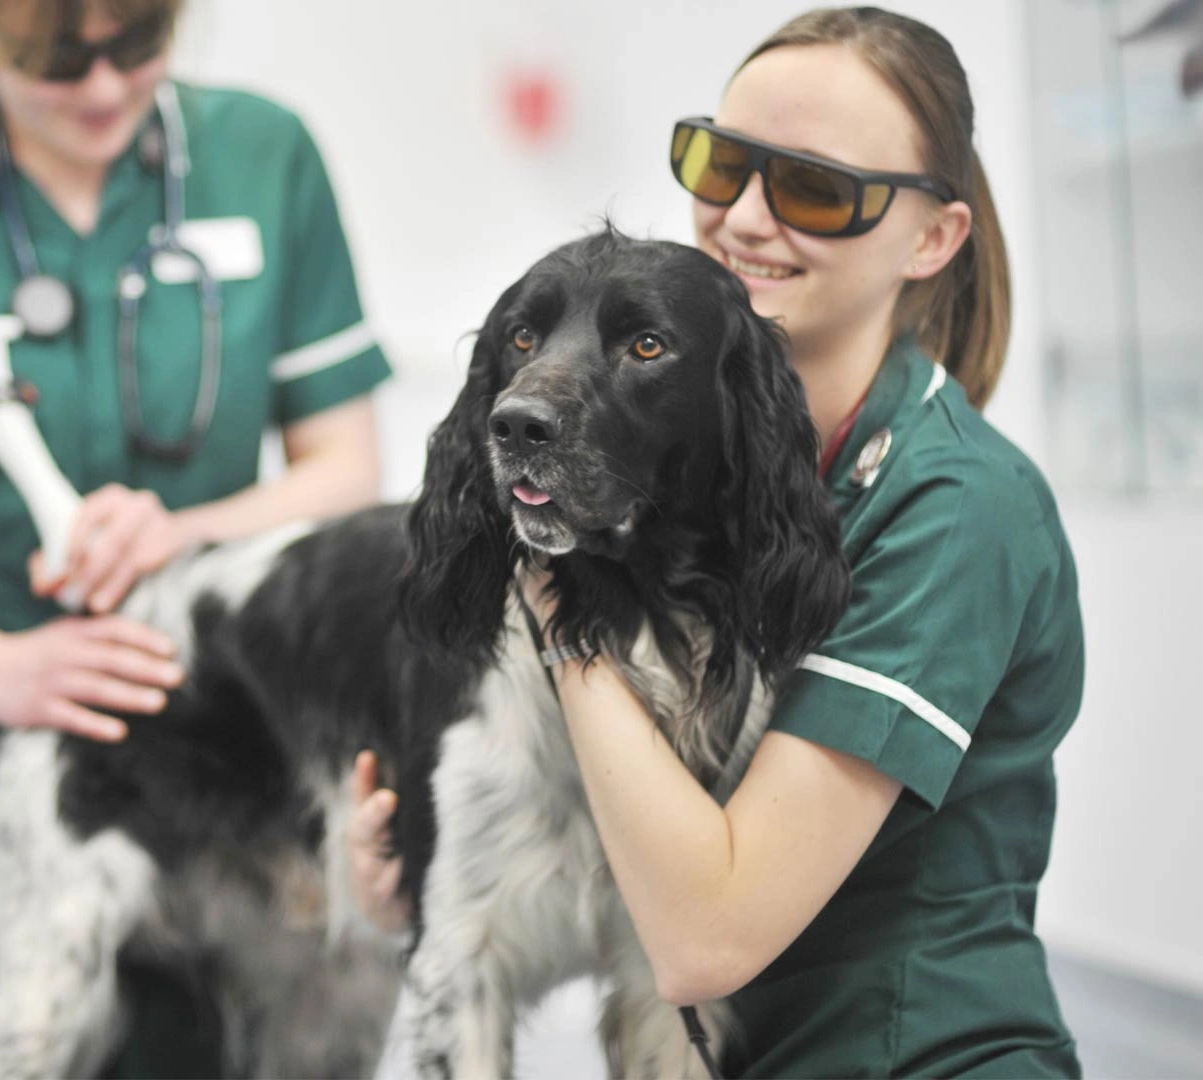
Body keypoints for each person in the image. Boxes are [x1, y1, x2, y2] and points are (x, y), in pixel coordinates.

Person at [349, 7, 1084, 1076]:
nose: (741, 217)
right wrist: (432, 865)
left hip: (916, 1058)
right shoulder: (704, 483)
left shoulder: (956, 507)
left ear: (933, 238)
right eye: (719, 161)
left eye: (816, 188)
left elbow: (706, 932)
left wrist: (559, 586)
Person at [0, 0, 391, 1073]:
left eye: (137, 43)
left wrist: (183, 534)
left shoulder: (265, 156)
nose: (100, 89)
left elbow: (346, 471)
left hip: (232, 782)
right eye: (54, 56)